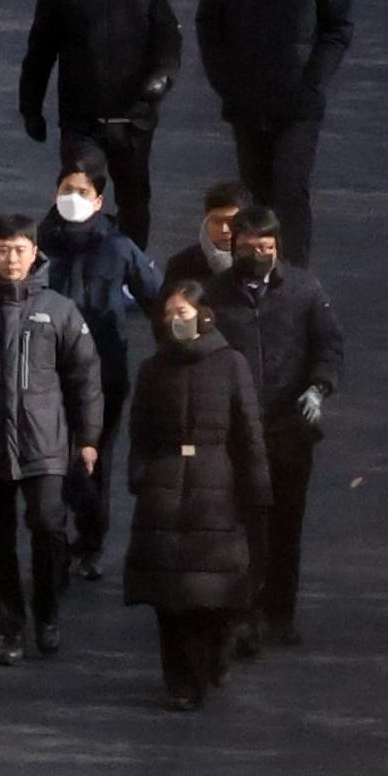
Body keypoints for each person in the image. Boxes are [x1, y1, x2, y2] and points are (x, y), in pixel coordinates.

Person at [0, 213, 102, 663]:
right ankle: (9, 630)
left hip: (45, 444)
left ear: (35, 254)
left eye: (20, 249)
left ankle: (47, 617)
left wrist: (87, 438)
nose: (12, 258)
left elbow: (85, 377)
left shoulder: (60, 310)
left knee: (49, 528)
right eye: (4, 248)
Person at [193, 0, 353, 267]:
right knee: (256, 192)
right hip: (246, 102)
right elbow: (209, 25)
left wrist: (313, 79)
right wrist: (225, 82)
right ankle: (253, 268)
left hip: (297, 104)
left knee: (290, 188)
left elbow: (338, 26)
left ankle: (294, 275)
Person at [122, 281, 267, 709]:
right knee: (169, 595)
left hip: (216, 485)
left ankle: (215, 653)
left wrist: (256, 489)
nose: (175, 322)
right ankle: (181, 681)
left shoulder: (230, 364)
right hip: (164, 488)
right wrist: (141, 474)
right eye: (169, 315)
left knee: (211, 591)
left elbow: (248, 431)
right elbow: (140, 430)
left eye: (183, 313)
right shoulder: (153, 369)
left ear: (205, 316)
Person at [211, 204, 345, 654]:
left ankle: (280, 614)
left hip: (289, 432)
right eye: (249, 247)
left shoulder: (305, 290)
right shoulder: (214, 295)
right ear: (234, 246)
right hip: (236, 434)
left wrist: (318, 388)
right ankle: (242, 615)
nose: (258, 254)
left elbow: (329, 345)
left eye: (266, 247)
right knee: (242, 528)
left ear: (278, 247)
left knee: (287, 527)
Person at [17, 0, 181, 250]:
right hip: (81, 121)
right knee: (77, 194)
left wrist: (161, 80)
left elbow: (168, 41)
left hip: (133, 118)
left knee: (134, 199)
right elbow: (40, 51)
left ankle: (130, 267)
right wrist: (30, 106)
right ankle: (73, 263)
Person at [35, 146, 161, 580]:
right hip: (44, 374)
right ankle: (54, 544)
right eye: (67, 189)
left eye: (82, 191)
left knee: (93, 461)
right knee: (48, 460)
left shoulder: (119, 249)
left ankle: (89, 542)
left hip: (103, 375)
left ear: (99, 201)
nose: (73, 196)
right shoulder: (34, 246)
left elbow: (157, 297)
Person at [159, 178, 245, 294]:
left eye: (231, 222)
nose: (224, 230)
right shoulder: (182, 266)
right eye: (217, 222)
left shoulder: (265, 261)